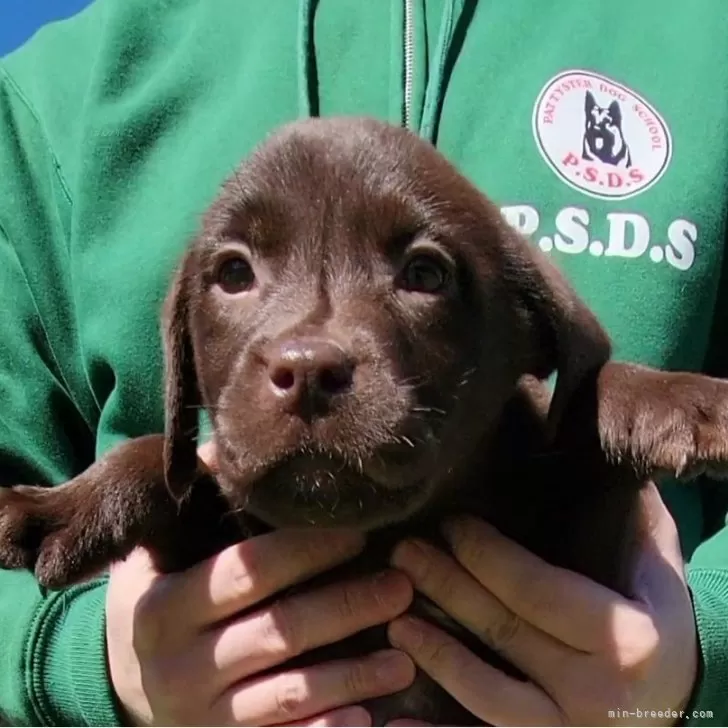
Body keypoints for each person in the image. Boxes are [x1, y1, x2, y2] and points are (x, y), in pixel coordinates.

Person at [0, 0, 727, 725]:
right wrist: (81, 663)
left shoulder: (702, 40)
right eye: (235, 273)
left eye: (424, 274)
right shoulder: (63, 96)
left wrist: (701, 667)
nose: (310, 353)